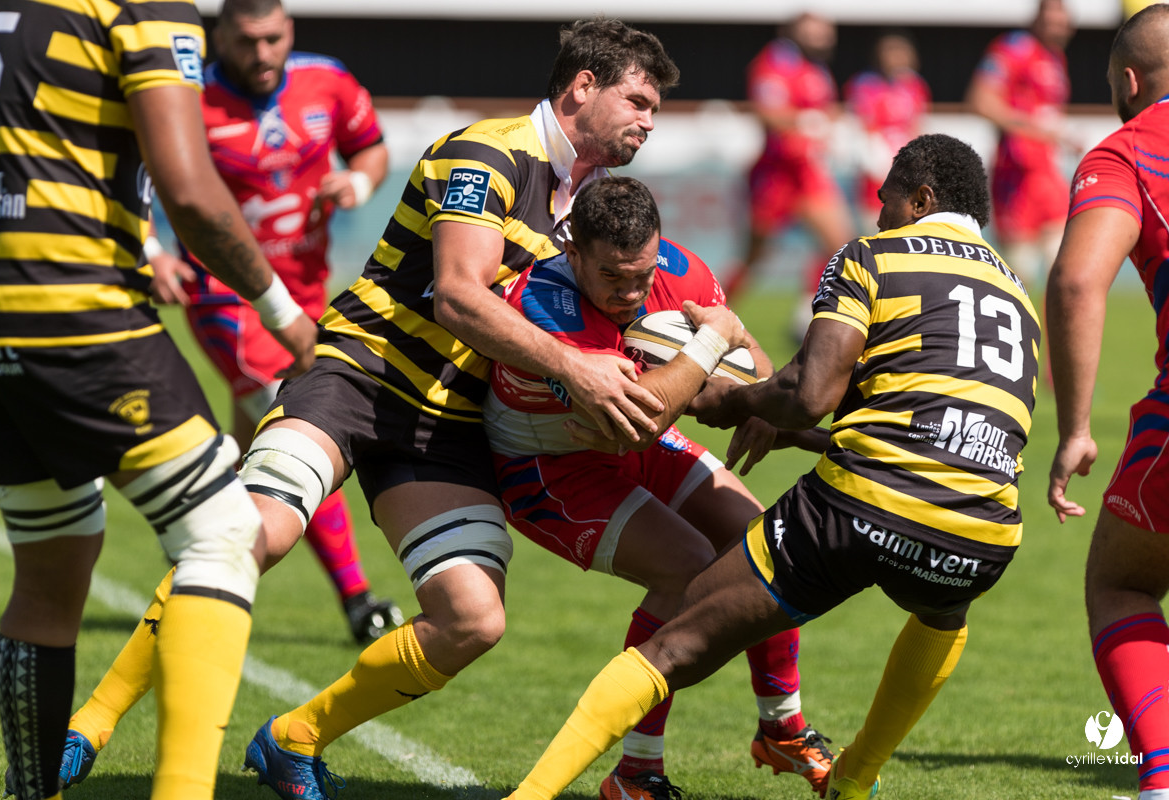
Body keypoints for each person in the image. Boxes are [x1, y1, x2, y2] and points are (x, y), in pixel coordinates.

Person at [52, 17, 680, 800]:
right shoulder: (488, 151)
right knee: (251, 536)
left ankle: (294, 740)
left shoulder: (590, 204)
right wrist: (577, 374)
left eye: (655, 108)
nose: (649, 121)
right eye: (639, 100)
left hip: (445, 419)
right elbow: (456, 293)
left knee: (472, 620)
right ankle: (88, 727)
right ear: (583, 87)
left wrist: (718, 351)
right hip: (361, 373)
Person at [501, 133, 1040, 800]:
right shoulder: (1019, 294)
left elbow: (808, 394)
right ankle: (850, 776)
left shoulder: (871, 257)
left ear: (921, 199)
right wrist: (787, 424)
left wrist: (735, 401)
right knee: (942, 615)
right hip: (984, 534)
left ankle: (552, 792)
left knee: (679, 638)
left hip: (863, 505)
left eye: (887, 201)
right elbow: (922, 422)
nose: (875, 215)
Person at [0, 1, 317, 799]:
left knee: (51, 568)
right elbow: (191, 190)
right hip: (76, 307)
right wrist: (285, 316)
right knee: (224, 534)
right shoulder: (142, 7)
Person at [487, 176, 832, 799]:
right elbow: (638, 419)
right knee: (687, 572)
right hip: (551, 465)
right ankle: (636, 774)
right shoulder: (542, 301)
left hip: (637, 443)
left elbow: (746, 347)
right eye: (611, 278)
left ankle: (782, 727)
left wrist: (754, 391)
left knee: (768, 546)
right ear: (574, 256)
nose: (630, 293)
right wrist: (709, 343)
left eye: (640, 275)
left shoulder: (676, 268)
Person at [150, 0, 400, 646]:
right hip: (225, 297)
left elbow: (371, 151)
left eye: (273, 38)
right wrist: (151, 252)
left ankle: (196, 542)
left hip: (311, 292)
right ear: (220, 38)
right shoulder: (186, 100)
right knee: (298, 425)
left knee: (249, 443)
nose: (262, 54)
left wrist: (358, 186)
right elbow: (136, 180)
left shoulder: (329, 82)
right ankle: (358, 600)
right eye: (247, 41)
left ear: (289, 31)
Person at [1047, 6, 1169, 798]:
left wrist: (1076, 427)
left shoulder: (1129, 146)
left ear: (1128, 81)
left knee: (1121, 584)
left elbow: (1078, 278)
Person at [726, 12, 855, 341]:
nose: (824, 38)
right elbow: (768, 113)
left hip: (806, 172)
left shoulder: (818, 69)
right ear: (796, 32)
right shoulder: (773, 63)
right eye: (816, 31)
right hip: (775, 175)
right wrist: (806, 122)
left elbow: (825, 114)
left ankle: (805, 311)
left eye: (827, 32)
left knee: (841, 244)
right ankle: (716, 309)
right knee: (754, 255)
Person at [965, 0, 1075, 287]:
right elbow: (981, 100)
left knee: (1064, 272)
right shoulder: (1015, 47)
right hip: (1015, 176)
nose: (1055, 22)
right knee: (1018, 280)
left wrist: (1059, 136)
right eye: (1048, 15)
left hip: (1047, 174)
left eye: (1060, 16)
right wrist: (1036, 130)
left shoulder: (1055, 59)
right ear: (1037, 19)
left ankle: (1058, 334)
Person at [843, 32, 931, 232]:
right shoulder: (865, 84)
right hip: (877, 167)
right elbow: (863, 127)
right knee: (874, 226)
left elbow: (916, 125)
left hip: (906, 167)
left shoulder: (915, 86)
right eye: (891, 53)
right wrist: (876, 159)